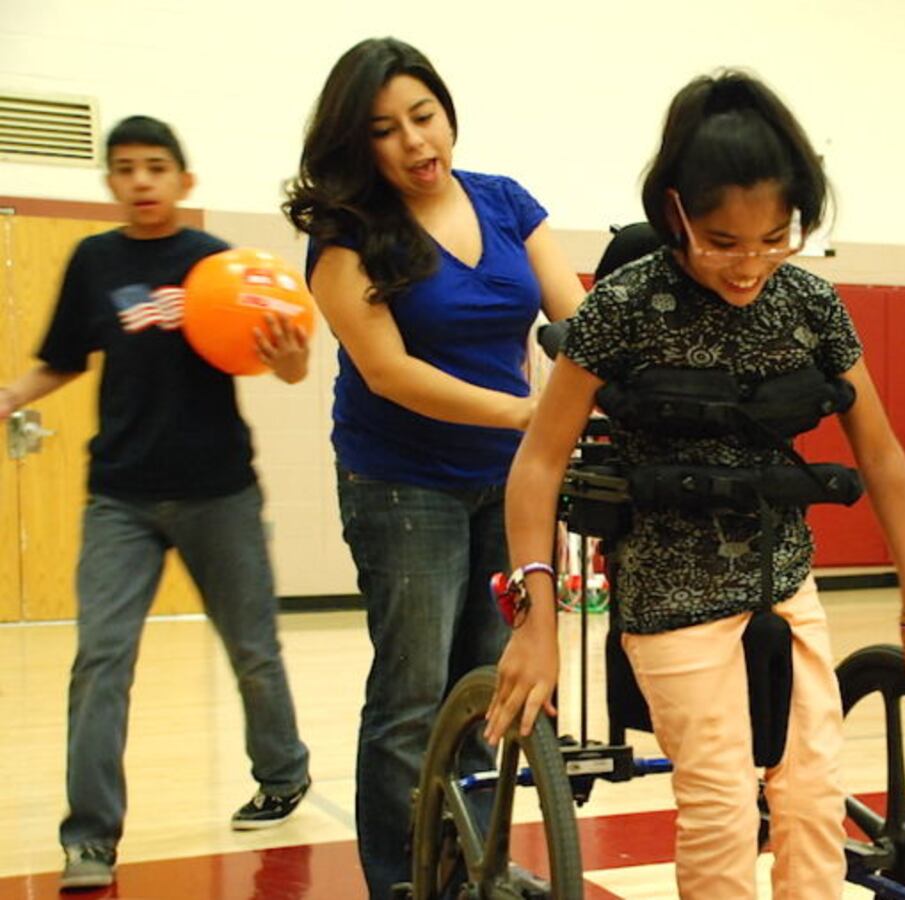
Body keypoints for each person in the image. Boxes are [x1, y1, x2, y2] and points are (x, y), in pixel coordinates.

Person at [486, 70, 905, 899]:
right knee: (721, 807)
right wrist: (537, 616)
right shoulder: (623, 307)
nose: (750, 266)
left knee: (813, 802)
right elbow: (539, 462)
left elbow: (882, 457)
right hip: (670, 589)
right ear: (674, 213)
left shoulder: (811, 305)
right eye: (722, 242)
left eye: (775, 238)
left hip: (783, 577)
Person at [281, 37, 586, 897]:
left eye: (425, 117)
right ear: (359, 144)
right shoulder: (348, 235)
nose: (417, 143)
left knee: (490, 689)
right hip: (400, 483)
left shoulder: (504, 203)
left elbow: (580, 320)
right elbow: (389, 373)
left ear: (448, 113)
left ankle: (466, 869)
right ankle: (402, 882)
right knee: (412, 698)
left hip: (512, 483)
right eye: (387, 130)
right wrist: (533, 414)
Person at [0, 115, 312, 891]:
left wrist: (293, 356)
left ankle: (282, 773)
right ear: (110, 182)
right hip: (120, 498)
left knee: (253, 651)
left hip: (220, 491)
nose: (141, 181)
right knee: (101, 662)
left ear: (184, 181)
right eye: (126, 169)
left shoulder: (218, 263)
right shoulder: (93, 260)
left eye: (156, 168)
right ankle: (90, 837)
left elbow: (290, 371)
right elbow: (63, 359)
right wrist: (9, 397)